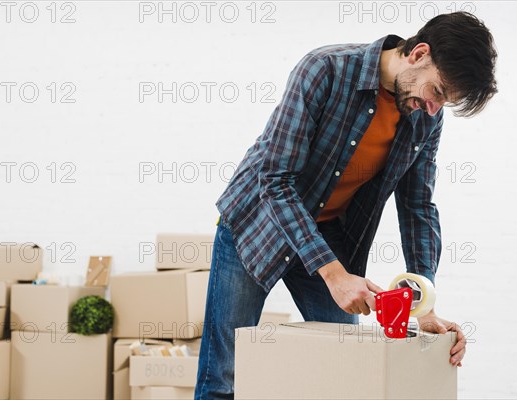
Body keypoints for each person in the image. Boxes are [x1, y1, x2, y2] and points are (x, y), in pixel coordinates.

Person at [195, 11, 497, 399]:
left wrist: (424, 305)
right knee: (224, 378)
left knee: (348, 373)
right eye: (437, 92)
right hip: (257, 223)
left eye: (445, 103)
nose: (434, 108)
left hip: (328, 233)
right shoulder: (326, 69)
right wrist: (335, 275)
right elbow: (275, 180)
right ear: (418, 53)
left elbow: (418, 206)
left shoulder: (425, 116)